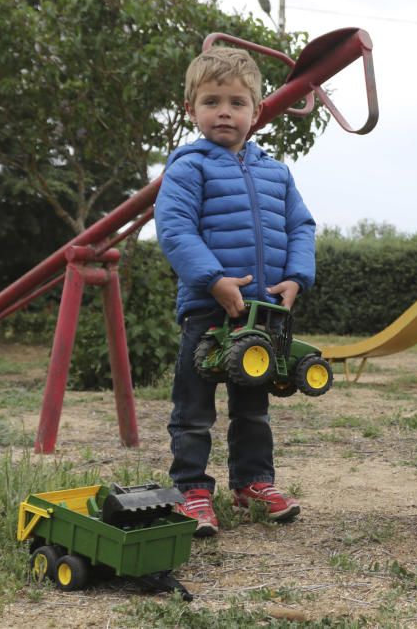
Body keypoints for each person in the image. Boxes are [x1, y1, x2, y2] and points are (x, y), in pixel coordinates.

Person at [155, 46, 316, 537]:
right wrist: (213, 280)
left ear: (256, 110)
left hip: (262, 315)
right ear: (191, 109)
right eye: (211, 101)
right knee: (194, 409)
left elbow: (301, 226)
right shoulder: (188, 168)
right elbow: (176, 228)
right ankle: (191, 490)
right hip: (208, 310)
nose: (224, 111)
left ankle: (253, 484)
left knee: (254, 409)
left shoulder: (277, 172)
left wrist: (296, 277)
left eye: (236, 102)